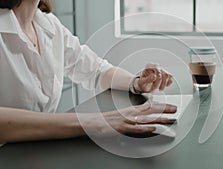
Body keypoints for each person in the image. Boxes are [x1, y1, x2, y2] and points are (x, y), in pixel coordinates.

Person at [0, 0, 176, 144]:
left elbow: (97, 70)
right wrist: (91, 122)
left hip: (35, 151)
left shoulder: (48, 24)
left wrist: (136, 83)